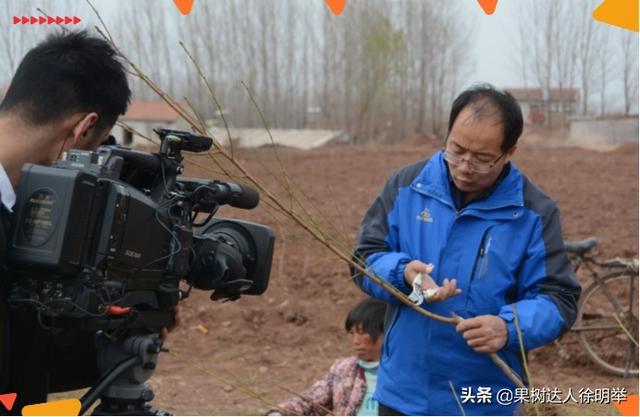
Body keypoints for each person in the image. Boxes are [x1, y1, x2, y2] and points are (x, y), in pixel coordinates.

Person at [352, 84, 581, 415]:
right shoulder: (406, 187)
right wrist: (402, 273)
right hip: (403, 395)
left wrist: (508, 327)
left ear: (509, 152)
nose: (464, 166)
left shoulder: (533, 213)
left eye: (483, 159)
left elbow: (559, 299)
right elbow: (364, 259)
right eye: (456, 150)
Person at [0, 30, 131, 409]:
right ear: (83, 128)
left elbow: (12, 359)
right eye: (91, 152)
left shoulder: (11, 212)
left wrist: (113, 338)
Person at [269, 298, 387, 416]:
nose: (355, 341)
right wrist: (279, 413)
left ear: (385, 332)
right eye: (351, 333)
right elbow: (310, 401)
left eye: (361, 333)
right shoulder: (344, 370)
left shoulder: (400, 374)